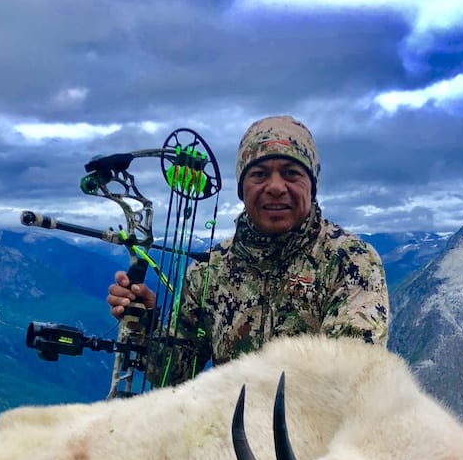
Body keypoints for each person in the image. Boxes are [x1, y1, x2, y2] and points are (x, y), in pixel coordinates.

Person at [106, 115, 389, 387]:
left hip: (312, 434)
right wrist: (146, 322)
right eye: (259, 174)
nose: (276, 187)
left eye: (292, 173)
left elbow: (350, 376)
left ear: (312, 185)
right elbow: (172, 375)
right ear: (242, 189)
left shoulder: (351, 261)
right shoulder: (208, 269)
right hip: (223, 431)